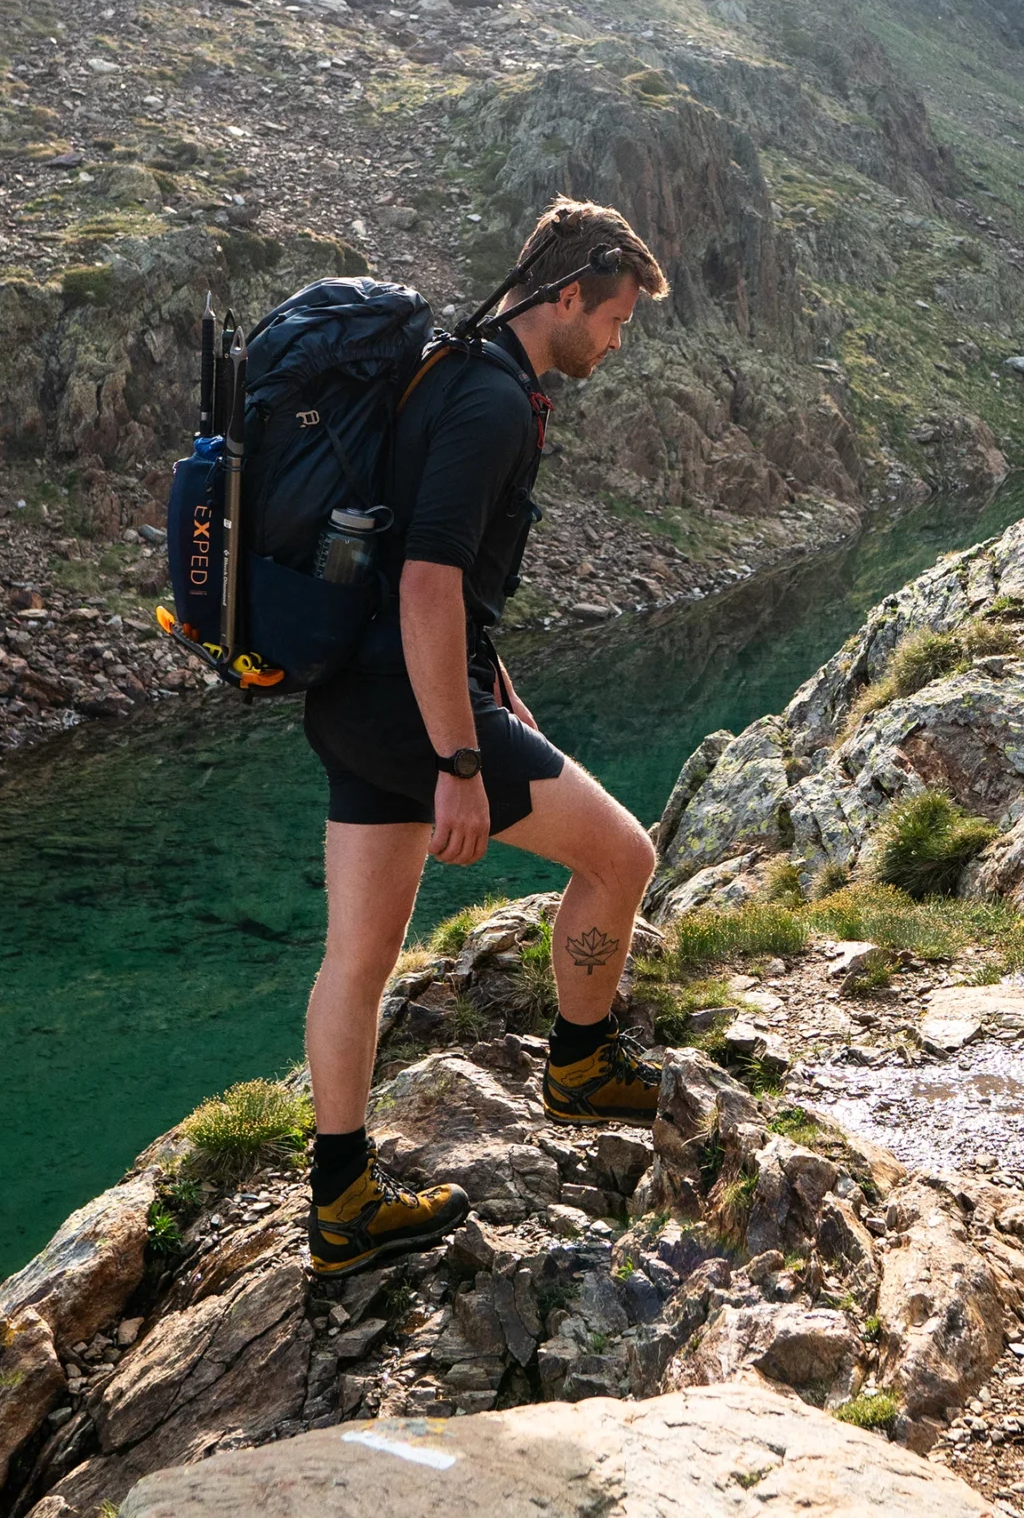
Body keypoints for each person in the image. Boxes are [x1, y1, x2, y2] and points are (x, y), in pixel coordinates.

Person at [301, 196, 672, 1277]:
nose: (614, 340)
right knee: (622, 857)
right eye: (614, 320)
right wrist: (460, 759)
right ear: (566, 295)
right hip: (414, 713)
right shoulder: (494, 404)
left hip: (354, 704)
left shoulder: (448, 372)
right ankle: (582, 1063)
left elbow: (445, 578)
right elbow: (427, 581)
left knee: (357, 960)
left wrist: (495, 689)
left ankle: (341, 1203)